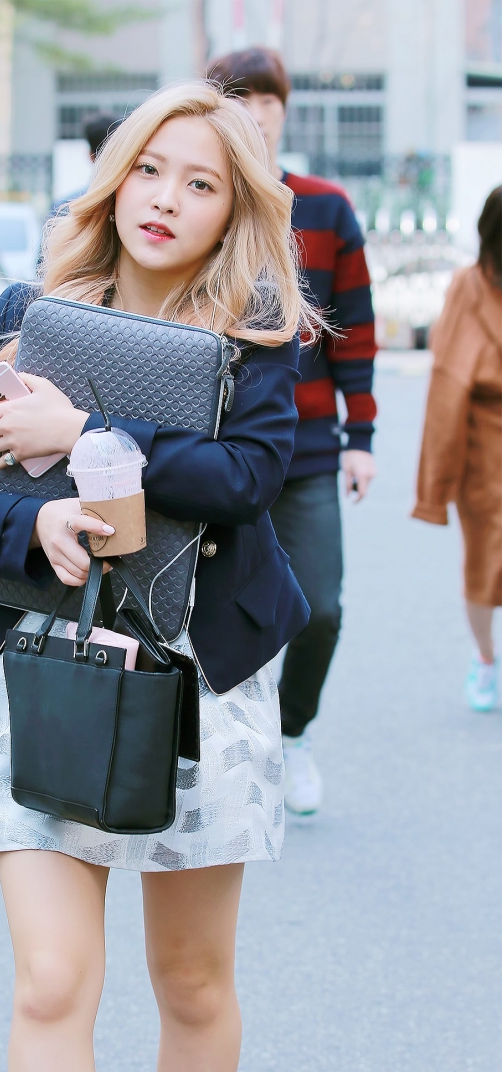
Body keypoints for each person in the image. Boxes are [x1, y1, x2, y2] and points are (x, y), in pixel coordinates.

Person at [0, 81, 316, 1072]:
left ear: (234, 208)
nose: (166, 198)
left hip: (202, 677)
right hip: (46, 664)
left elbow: (249, 479)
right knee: (51, 983)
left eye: (200, 184)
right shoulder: (27, 316)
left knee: (192, 980)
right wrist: (33, 520)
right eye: (148, 169)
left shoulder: (254, 334)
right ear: (113, 179)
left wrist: (85, 434)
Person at [207, 47, 378, 814]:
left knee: (320, 607)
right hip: (213, 448)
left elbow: (356, 331)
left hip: (306, 448)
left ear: (284, 111)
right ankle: (219, 749)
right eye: (236, 98)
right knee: (208, 609)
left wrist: (362, 437)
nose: (254, 113)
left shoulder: (327, 209)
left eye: (266, 100)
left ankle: (293, 731)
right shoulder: (205, 201)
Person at [412, 186, 502, 711]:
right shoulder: (470, 285)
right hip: (487, 452)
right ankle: (485, 656)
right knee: (486, 564)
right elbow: (449, 386)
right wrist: (436, 486)